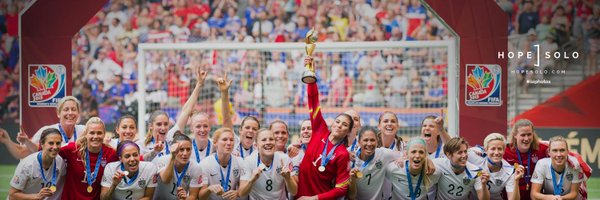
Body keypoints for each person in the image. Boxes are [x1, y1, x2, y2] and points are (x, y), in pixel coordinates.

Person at [296, 56, 353, 200]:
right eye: (338, 121)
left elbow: (342, 189)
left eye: (345, 125)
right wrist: (311, 78)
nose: (339, 125)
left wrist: (313, 199)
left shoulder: (342, 154)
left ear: (348, 132)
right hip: (299, 195)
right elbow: (313, 101)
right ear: (332, 123)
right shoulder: (320, 129)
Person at [140, 69, 207, 162]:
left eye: (166, 124)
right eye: (159, 124)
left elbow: (186, 111)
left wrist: (199, 84)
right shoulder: (142, 144)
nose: (163, 128)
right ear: (151, 126)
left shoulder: (171, 137)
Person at [2, 96, 86, 159]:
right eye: (66, 109)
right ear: (58, 113)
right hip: (52, 181)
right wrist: (7, 141)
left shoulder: (85, 130)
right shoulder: (46, 131)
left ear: (78, 113)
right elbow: (21, 152)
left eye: (74, 109)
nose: (70, 113)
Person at [59, 117, 118, 199]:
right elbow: (50, 150)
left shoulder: (111, 153)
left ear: (104, 134)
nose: (96, 136)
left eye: (99, 133)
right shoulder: (72, 149)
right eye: (92, 133)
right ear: (86, 134)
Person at [8, 128, 66, 200]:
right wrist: (37, 196)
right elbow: (12, 195)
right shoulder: (27, 165)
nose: (55, 147)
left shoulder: (60, 162)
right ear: (42, 144)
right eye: (51, 143)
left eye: (58, 143)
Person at [238, 129, 297, 199]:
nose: (268, 142)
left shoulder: (284, 159)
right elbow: (241, 194)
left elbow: (294, 192)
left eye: (271, 139)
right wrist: (251, 180)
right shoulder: (249, 161)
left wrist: (288, 178)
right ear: (256, 145)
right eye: (264, 140)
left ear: (275, 143)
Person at [347, 127, 401, 200]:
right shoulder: (351, 159)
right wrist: (352, 180)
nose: (369, 144)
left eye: (372, 140)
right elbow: (351, 196)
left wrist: (401, 158)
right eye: (365, 140)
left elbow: (404, 154)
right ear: (359, 142)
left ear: (377, 141)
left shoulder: (383, 154)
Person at [468, 133, 524, 200]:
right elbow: (455, 149)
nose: (496, 153)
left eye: (500, 149)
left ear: (504, 151)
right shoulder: (474, 157)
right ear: (486, 150)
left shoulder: (509, 171)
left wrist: (516, 181)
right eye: (493, 149)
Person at [503, 119, 548, 200]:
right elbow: (489, 152)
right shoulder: (505, 151)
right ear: (515, 135)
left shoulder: (542, 149)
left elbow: (559, 152)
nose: (526, 139)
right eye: (523, 135)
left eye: (529, 134)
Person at [218, 73, 260, 159]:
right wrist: (224, 92)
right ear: (240, 130)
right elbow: (226, 119)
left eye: (254, 129)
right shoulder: (233, 142)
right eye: (247, 127)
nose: (250, 131)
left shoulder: (260, 149)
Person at [198, 128, 245, 200]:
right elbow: (200, 197)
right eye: (224, 139)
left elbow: (244, 189)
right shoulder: (205, 164)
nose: (229, 143)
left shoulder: (240, 161)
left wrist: (238, 193)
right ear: (215, 142)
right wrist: (209, 189)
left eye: (231, 140)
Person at [152, 133, 202, 200]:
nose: (185, 153)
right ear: (173, 149)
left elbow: (193, 196)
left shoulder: (196, 167)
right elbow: (166, 179)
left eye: (188, 149)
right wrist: (173, 157)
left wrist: (185, 199)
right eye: (181, 149)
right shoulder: (162, 160)